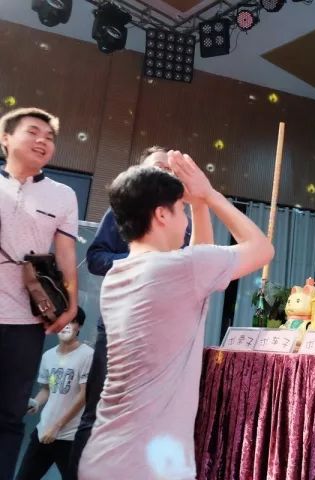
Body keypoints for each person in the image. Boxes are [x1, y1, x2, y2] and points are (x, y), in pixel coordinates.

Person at [78, 151, 273, 479]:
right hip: (146, 467)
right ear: (161, 215)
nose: (185, 220)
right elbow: (262, 248)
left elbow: (200, 256)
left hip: (105, 456)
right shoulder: (179, 269)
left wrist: (196, 204)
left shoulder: (119, 274)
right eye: (180, 209)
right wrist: (209, 195)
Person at [66, 146, 191, 477]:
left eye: (170, 169)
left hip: (165, 331)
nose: (164, 173)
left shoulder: (183, 219)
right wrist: (141, 260)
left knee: (151, 417)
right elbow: (96, 259)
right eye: (157, 167)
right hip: (121, 324)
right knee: (98, 412)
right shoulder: (122, 211)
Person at [0, 107, 79, 479]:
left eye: (49, 137)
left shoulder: (63, 195)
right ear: (5, 138)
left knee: (9, 415)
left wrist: (71, 303)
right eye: (33, 132)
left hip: (25, 321)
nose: (42, 141)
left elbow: (66, 255)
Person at [15, 308, 93, 480]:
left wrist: (57, 427)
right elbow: (47, 389)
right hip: (43, 432)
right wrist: (36, 403)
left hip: (69, 437)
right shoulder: (48, 356)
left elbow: (83, 395)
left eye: (72, 322)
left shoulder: (87, 355)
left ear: (79, 327)